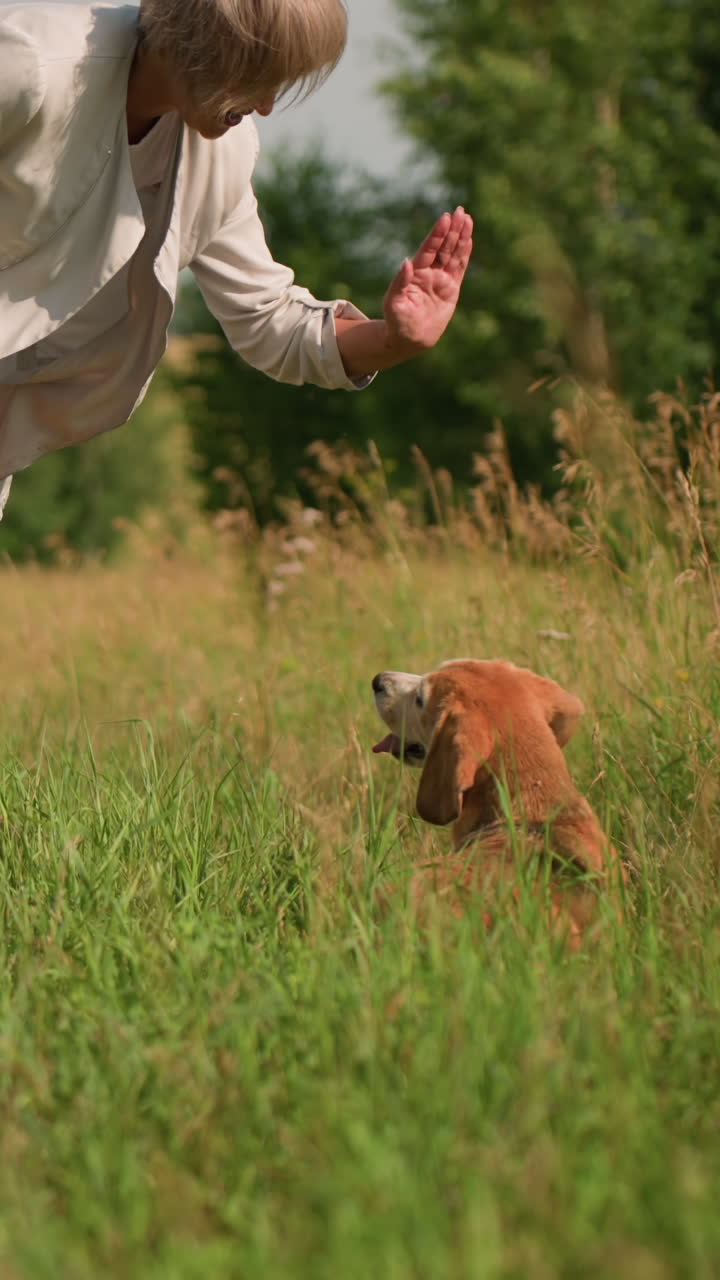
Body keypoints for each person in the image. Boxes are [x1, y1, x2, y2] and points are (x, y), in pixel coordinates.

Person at [0, 0, 473, 520]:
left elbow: (270, 321)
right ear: (205, 44)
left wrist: (393, 340)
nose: (268, 104)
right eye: (262, 76)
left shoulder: (222, 154)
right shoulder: (30, 64)